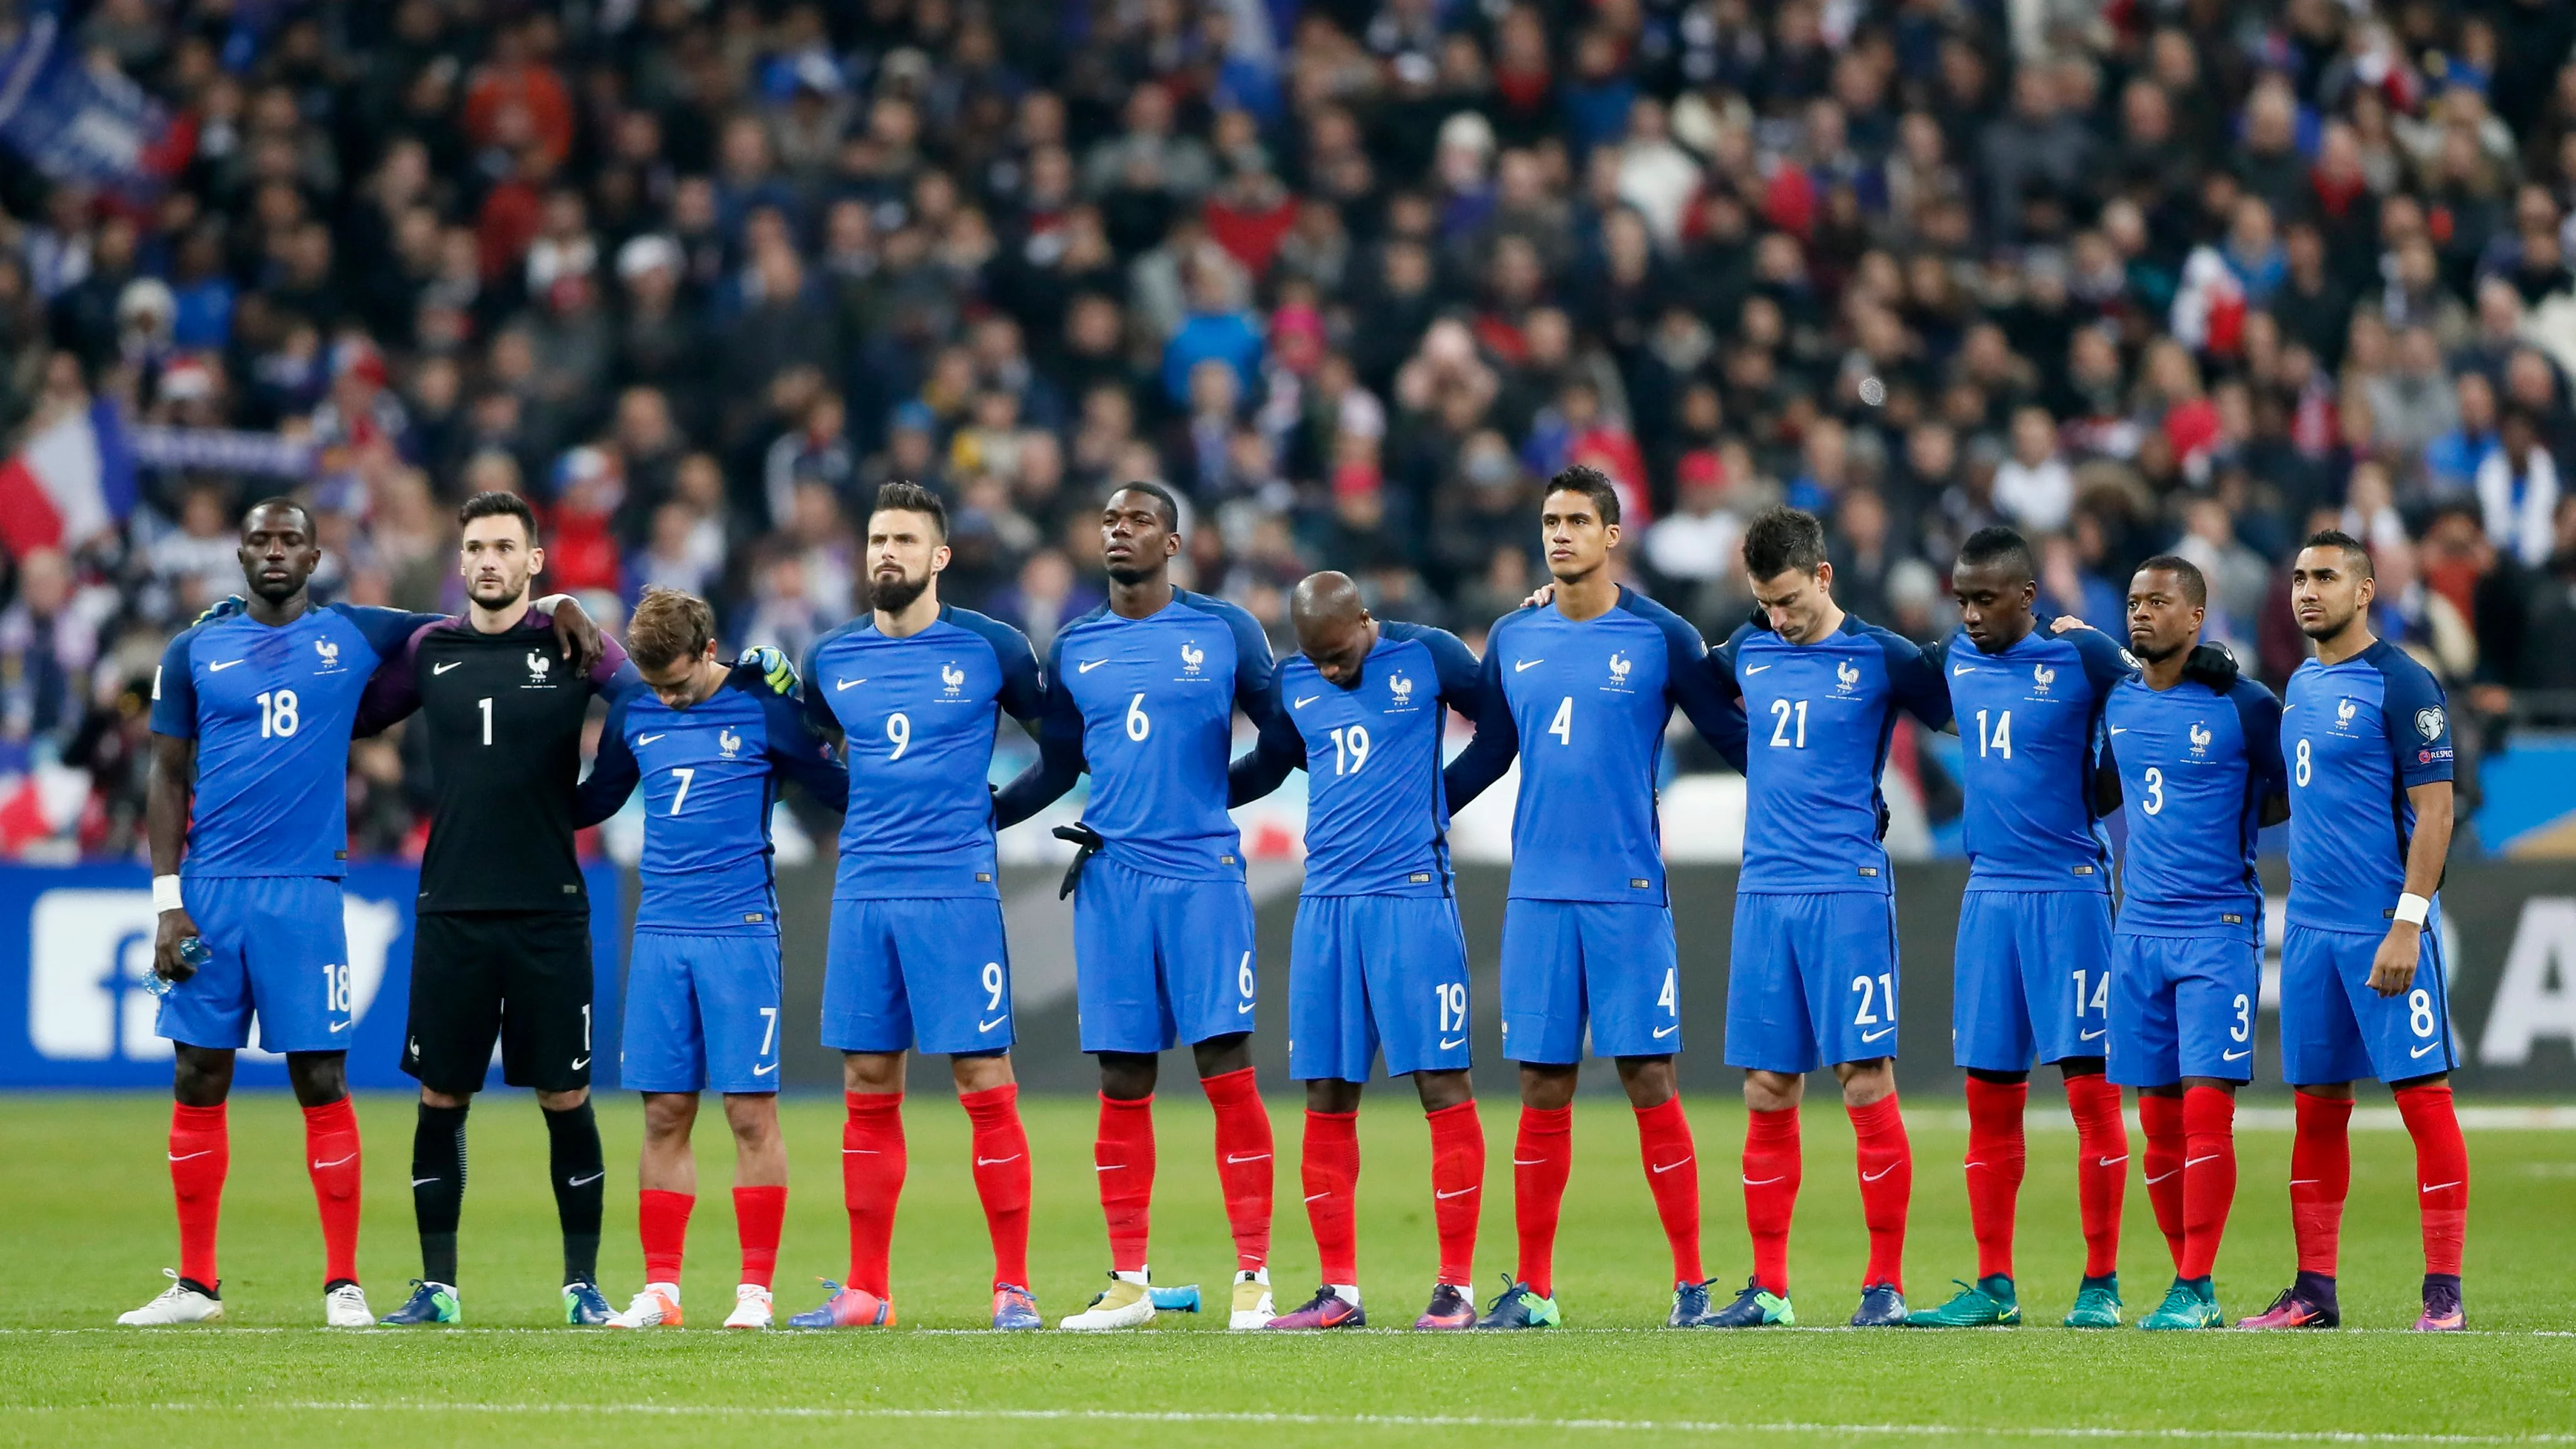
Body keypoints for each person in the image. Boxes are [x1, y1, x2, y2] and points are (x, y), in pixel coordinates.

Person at [122, 497, 598, 1330]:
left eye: (291, 540)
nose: (275, 552)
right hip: (209, 892)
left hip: (305, 891)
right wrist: (167, 904)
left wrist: (560, 602)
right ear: (239, 551)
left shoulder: (358, 633)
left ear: (315, 557)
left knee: (320, 1077)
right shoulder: (193, 648)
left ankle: (343, 1283)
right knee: (198, 1072)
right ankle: (196, 1284)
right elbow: (166, 776)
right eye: (260, 539)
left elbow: (478, 619)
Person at [1440, 465, 1743, 1331]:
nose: (1560, 533)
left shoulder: (1665, 638)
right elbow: (1490, 754)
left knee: (1650, 1077)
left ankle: (1692, 1284)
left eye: (1578, 520)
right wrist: (1417, 814)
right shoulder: (1513, 636)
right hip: (1538, 895)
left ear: (1614, 535)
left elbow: (1732, 737)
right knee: (1542, 1084)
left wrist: (1818, 790)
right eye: (1550, 520)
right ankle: (1533, 1289)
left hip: (1627, 895)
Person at [355, 490, 655, 1328]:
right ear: (461, 563)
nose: (488, 560)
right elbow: (358, 707)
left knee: (567, 1098)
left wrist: (592, 802)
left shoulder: (573, 645)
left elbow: (642, 699)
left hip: (549, 911)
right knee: (440, 1100)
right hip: (452, 904)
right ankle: (437, 1288)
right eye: (476, 547)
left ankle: (582, 1286)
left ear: (533, 562)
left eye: (505, 548)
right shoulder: (432, 648)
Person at [992, 480, 1282, 1331]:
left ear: (1175, 541)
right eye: (1110, 519)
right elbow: (1054, 769)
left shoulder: (1225, 630)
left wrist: (1211, 798)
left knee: (1226, 1062)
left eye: (1140, 520)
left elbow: (1282, 738)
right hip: (1113, 879)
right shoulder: (1076, 646)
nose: (1120, 531)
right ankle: (1130, 1282)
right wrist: (983, 812)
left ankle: (1255, 1279)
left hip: (1200, 876)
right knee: (1123, 1076)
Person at [789, 482, 1050, 1332]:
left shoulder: (991, 648)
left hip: (955, 891)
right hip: (866, 890)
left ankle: (1012, 1286)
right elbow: (802, 752)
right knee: (867, 1081)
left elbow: (1065, 750)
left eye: (903, 540)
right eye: (875, 540)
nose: (886, 553)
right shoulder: (832, 656)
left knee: (983, 1079)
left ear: (939, 557)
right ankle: (868, 1290)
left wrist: (990, 814)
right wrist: (847, 811)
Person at [569, 587, 848, 1332]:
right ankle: (661, 1291)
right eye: (656, 685)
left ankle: (754, 1291)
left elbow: (836, 788)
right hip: (659, 932)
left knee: (750, 1114)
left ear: (709, 651)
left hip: (741, 930)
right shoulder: (634, 709)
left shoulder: (762, 708)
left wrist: (821, 716)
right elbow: (597, 800)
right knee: (663, 1112)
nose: (669, 698)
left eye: (679, 683)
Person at [1701, 505, 1953, 1330]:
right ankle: (1768, 1289)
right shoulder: (1749, 652)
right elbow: (1678, 670)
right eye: (1765, 604)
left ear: (1823, 576)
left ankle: (1885, 1285)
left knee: (1864, 1078)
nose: (1779, 618)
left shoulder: (1883, 658)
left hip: (1847, 891)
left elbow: (1969, 702)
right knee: (1768, 1087)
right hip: (1764, 892)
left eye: (1789, 601)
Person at [1223, 571, 1489, 1331]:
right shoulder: (1296, 679)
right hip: (1325, 903)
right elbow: (1272, 763)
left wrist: (1433, 802)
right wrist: (1188, 792)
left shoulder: (1429, 657)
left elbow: (1501, 733)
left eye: (1341, 655)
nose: (1331, 671)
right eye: (1318, 658)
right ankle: (1339, 1292)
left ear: (1366, 621)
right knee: (1326, 1093)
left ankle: (1456, 1290)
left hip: (1412, 897)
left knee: (1441, 1083)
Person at [1907, 527, 2138, 1330]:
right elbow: (1877, 675)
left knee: (2090, 1095)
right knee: (1988, 1098)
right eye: (1961, 599)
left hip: (2068, 896)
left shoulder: (2083, 659)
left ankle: (2101, 1283)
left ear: (2027, 598)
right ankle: (1994, 1285)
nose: (1969, 614)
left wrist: (2092, 797)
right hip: (1988, 897)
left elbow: (2160, 706)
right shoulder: (1952, 661)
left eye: (1985, 599)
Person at [2241, 531, 2467, 1333]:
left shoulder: (2404, 685)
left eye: (2326, 577)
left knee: (2423, 1099)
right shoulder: (2299, 684)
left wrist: (2408, 921)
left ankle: (2443, 1293)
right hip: (2306, 930)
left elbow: (2438, 810)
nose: (2308, 591)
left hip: (2380, 924)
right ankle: (2313, 1292)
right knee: (2316, 1109)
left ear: (2364, 590)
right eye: (2299, 577)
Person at [2099, 555, 2288, 1331]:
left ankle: (2195, 1281)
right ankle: (2189, 1287)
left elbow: (2282, 794)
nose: (2141, 612)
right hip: (2135, 930)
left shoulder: (2246, 707)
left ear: (2196, 616)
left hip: (2215, 929)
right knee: (2158, 1120)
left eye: (2159, 601)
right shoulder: (2113, 700)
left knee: (2208, 1109)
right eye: (2135, 600)